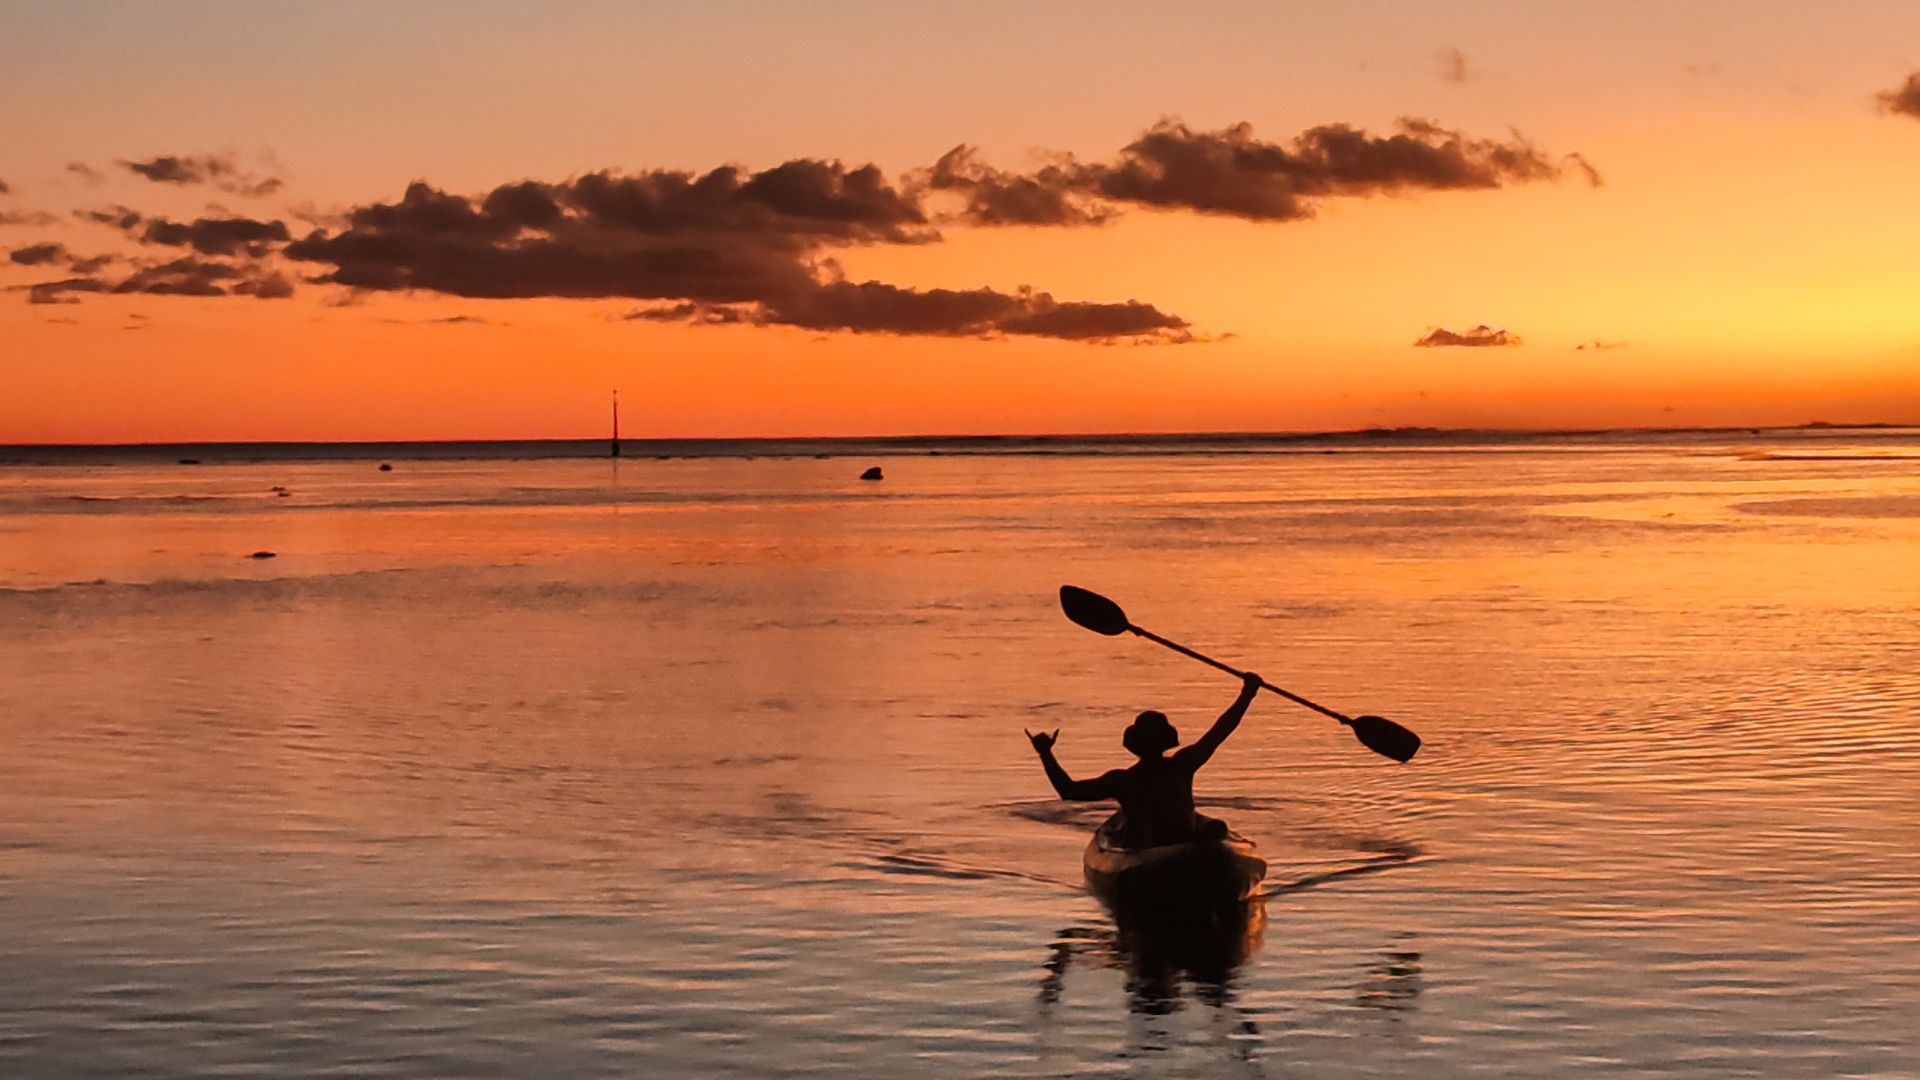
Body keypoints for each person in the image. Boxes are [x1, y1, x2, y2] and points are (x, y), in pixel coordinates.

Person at [1026, 673, 1262, 847]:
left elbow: (1068, 790)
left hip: (1154, 846)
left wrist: (1045, 754)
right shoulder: (1181, 765)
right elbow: (1220, 731)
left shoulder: (1122, 780)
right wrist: (1247, 694)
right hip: (1159, 846)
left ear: (1134, 745)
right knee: (1215, 828)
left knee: (1216, 828)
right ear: (1166, 742)